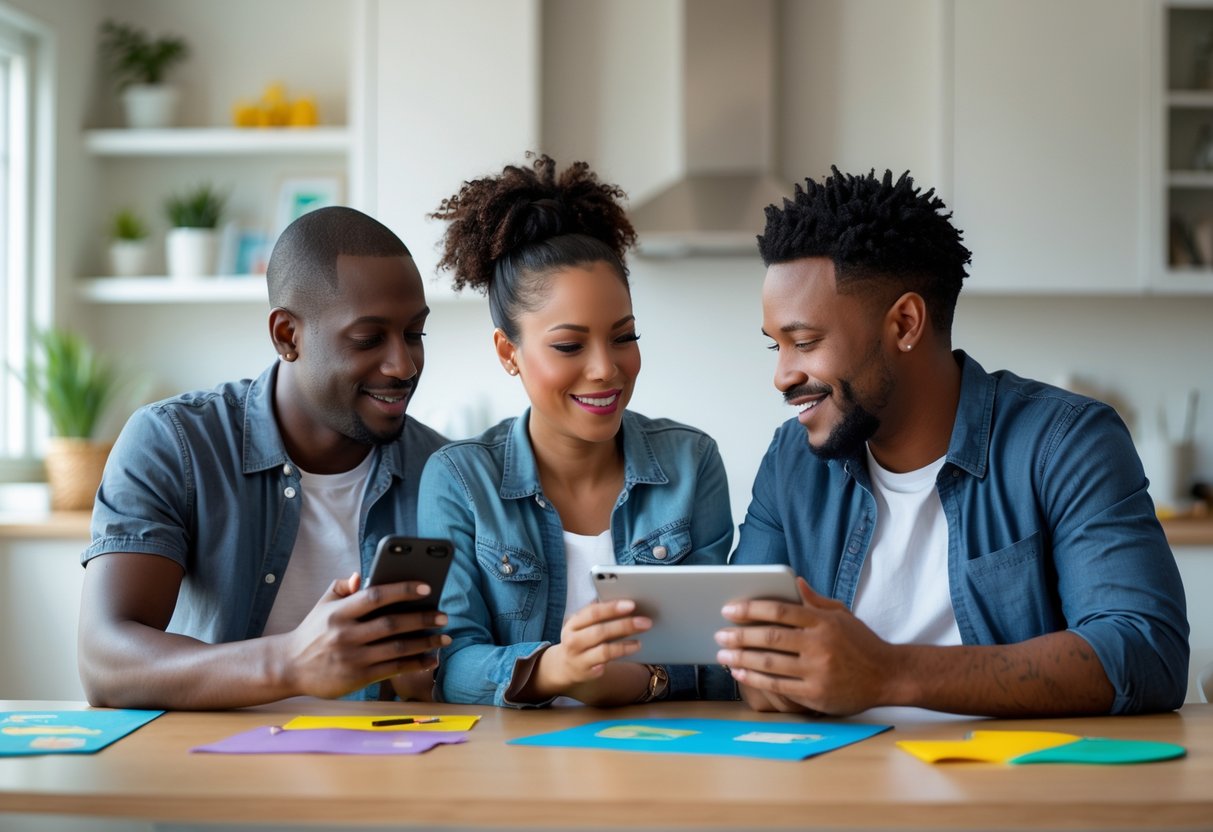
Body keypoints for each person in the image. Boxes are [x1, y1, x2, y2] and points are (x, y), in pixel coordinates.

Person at [718, 167, 1189, 717]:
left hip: (1009, 789)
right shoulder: (791, 461)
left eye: (804, 342)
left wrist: (887, 673)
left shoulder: (1065, 443)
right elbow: (740, 648)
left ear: (906, 324)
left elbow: (1144, 650)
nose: (782, 376)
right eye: (775, 346)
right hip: (834, 783)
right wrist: (760, 673)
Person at [78, 206, 451, 709]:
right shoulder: (176, 444)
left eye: (414, 334)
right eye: (368, 339)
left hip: (385, 768)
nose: (403, 364)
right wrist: (293, 662)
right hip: (213, 772)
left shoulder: (445, 470)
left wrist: (425, 682)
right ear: (286, 336)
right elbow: (106, 664)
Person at [419, 154, 734, 707]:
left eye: (624, 337)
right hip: (510, 770)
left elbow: (713, 662)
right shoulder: (461, 477)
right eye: (569, 345)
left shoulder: (692, 462)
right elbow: (450, 662)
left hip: (667, 755)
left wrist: (636, 679)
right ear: (508, 352)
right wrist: (557, 669)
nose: (605, 369)